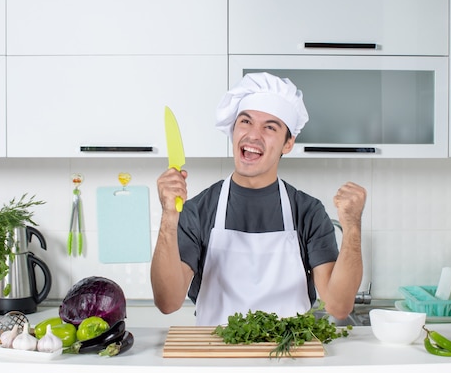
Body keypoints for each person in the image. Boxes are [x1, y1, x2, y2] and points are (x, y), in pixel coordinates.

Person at [151, 72, 367, 326]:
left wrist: (352, 225)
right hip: (217, 359)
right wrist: (168, 216)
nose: (253, 135)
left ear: (288, 144)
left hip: (289, 359)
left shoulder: (307, 211)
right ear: (233, 130)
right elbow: (168, 302)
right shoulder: (199, 209)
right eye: (246, 122)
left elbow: (339, 306)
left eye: (270, 127)